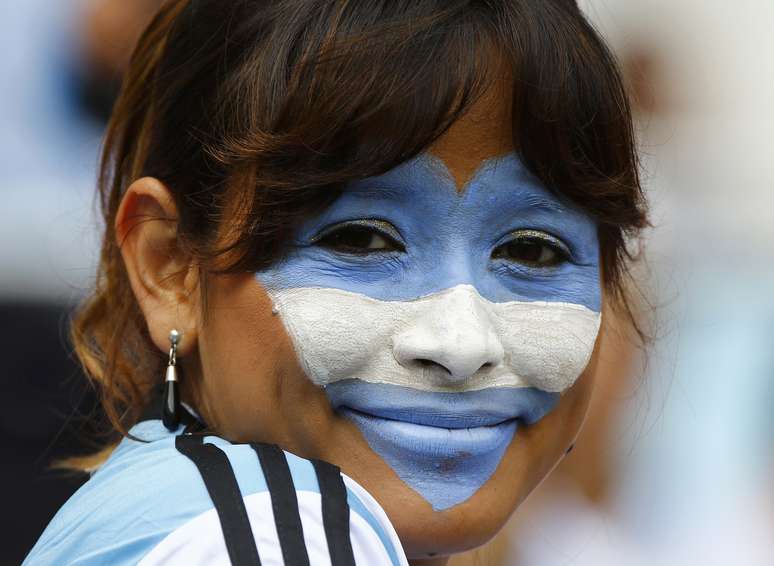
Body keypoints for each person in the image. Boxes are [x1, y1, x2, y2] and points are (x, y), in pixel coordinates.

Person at [24, 0, 647, 563]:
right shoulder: (264, 537)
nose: (461, 344)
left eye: (532, 250)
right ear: (171, 269)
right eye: (360, 240)